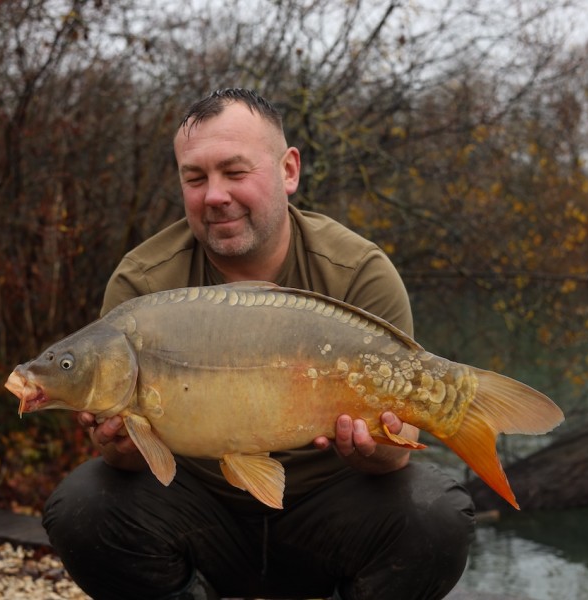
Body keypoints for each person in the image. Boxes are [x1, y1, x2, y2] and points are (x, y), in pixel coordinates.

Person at [42, 88, 475, 600]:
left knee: (436, 514)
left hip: (328, 510)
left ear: (288, 170)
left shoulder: (359, 273)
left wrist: (373, 450)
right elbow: (130, 465)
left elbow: (392, 460)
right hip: (200, 513)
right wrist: (120, 446)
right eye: (195, 178)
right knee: (84, 503)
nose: (214, 195)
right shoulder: (141, 285)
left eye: (235, 171)